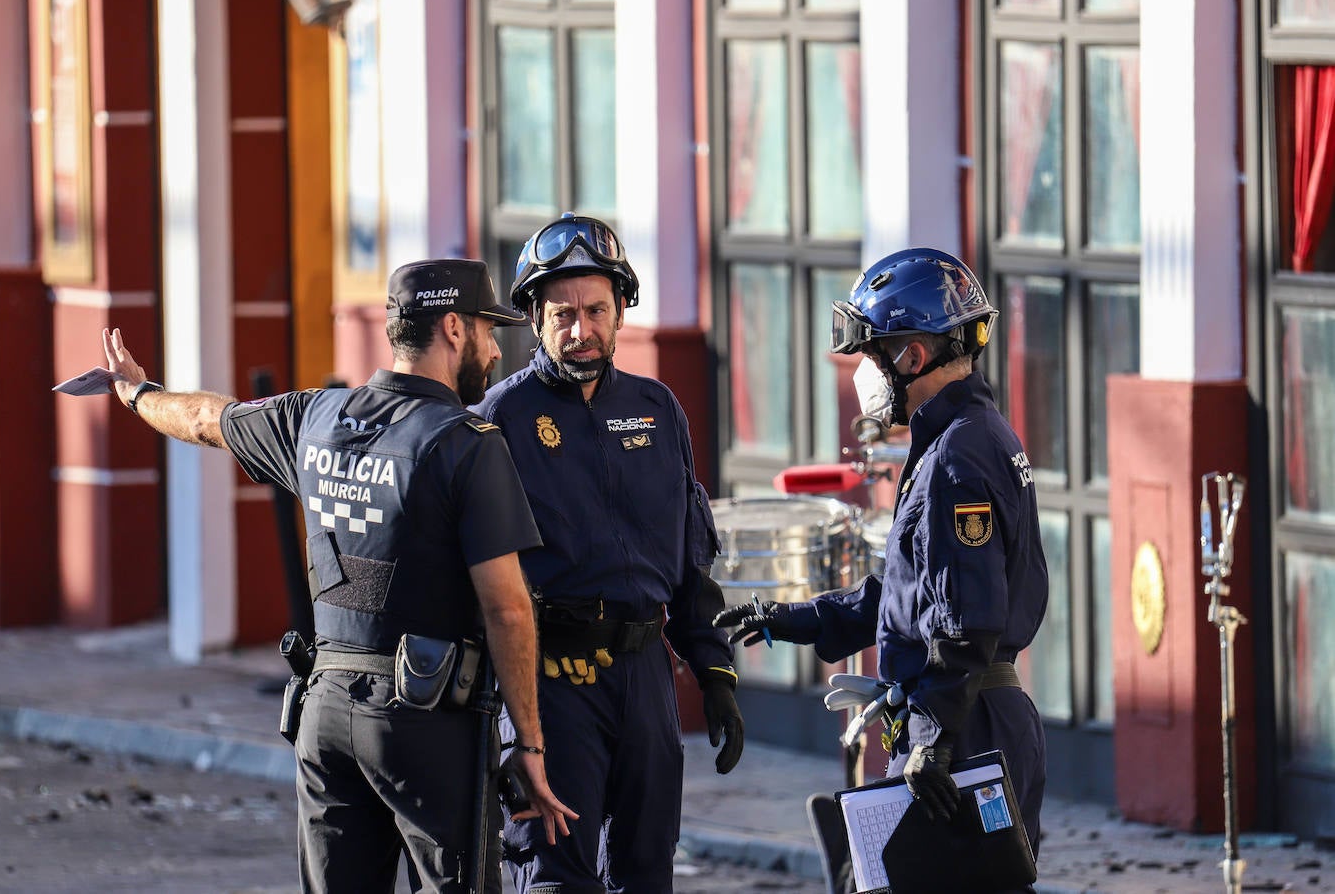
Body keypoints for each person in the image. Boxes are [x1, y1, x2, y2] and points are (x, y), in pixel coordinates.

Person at [98, 258, 578, 893]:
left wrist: (137, 394)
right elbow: (509, 610)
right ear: (454, 328)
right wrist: (531, 748)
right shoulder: (467, 444)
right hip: (425, 726)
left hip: (324, 717)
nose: (495, 349)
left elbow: (205, 420)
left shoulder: (316, 418)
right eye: (490, 330)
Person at [714, 247, 1049, 867]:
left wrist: (933, 738)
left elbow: (967, 618)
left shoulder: (956, 457)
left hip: (964, 732)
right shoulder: (966, 437)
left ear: (910, 356)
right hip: (967, 722)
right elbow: (908, 593)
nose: (861, 373)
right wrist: (796, 618)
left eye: (869, 355)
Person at [470, 213, 744, 893]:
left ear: (622, 310)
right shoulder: (499, 419)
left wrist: (715, 674)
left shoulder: (658, 409)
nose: (581, 329)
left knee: (648, 871)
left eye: (596, 310)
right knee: (556, 874)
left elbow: (689, 557)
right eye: (563, 314)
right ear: (533, 318)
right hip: (549, 681)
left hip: (645, 675)